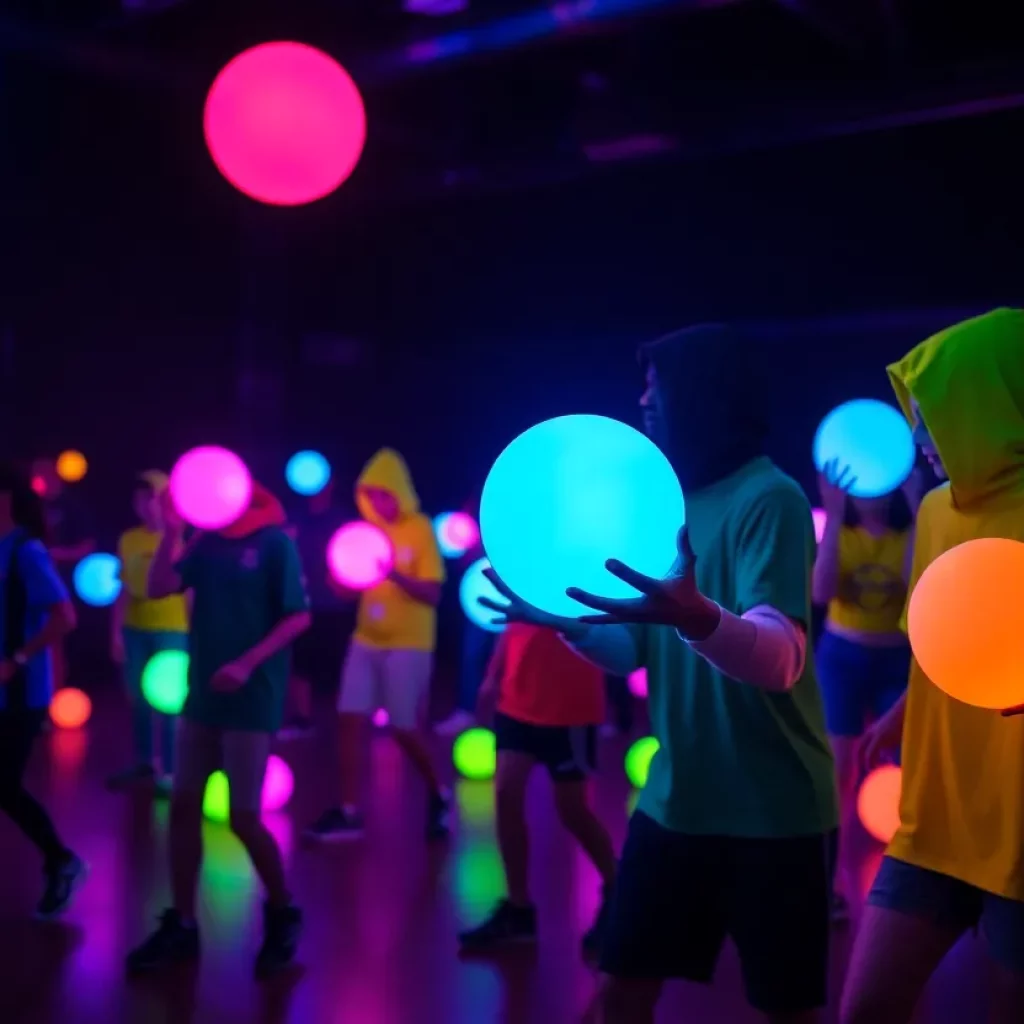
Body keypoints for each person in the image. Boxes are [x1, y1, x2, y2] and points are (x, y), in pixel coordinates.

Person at [482, 325, 837, 1024]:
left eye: (657, 386)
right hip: (675, 803)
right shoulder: (660, 500)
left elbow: (782, 659)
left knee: (786, 1011)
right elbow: (633, 653)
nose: (643, 400)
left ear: (702, 395)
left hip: (776, 812)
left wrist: (695, 615)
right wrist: (566, 622)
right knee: (618, 994)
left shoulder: (771, 497)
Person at [840, 308, 1024, 1024]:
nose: (917, 440)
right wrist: (897, 715)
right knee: (865, 1009)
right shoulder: (938, 511)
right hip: (935, 814)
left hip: (1017, 825)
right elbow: (938, 643)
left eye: (934, 414)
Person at [126, 482, 310, 977]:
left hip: (252, 698)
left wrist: (247, 664)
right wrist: (171, 532)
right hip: (202, 695)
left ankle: (283, 912)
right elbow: (159, 587)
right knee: (184, 805)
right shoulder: (204, 542)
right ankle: (183, 924)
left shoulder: (274, 543)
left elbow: (298, 617)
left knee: (243, 817)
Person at [305, 448, 449, 841]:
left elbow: (433, 593)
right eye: (370, 496)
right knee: (349, 717)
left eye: (384, 494)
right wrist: (341, 581)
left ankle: (439, 793)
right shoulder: (365, 532)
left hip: (409, 643)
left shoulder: (419, 528)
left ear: (399, 492)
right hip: (366, 638)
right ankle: (349, 811)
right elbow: (352, 588)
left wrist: (393, 574)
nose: (378, 502)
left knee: (404, 727)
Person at [458, 623, 616, 954]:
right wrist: (492, 675)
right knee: (506, 794)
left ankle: (620, 894)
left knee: (572, 810)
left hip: (573, 709)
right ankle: (518, 910)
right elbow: (512, 621)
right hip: (516, 702)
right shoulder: (521, 586)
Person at [812, 460, 923, 919]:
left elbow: (916, 591)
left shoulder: (908, 531)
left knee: (907, 770)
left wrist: (917, 512)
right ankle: (828, 883)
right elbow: (821, 593)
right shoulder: (840, 531)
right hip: (842, 657)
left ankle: (910, 886)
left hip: (897, 660)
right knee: (838, 770)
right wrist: (835, 514)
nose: (869, 494)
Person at [0, 463, 86, 916]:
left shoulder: (26, 551)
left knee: (4, 784)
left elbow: (64, 617)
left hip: (20, 693)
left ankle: (61, 861)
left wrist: (17, 659)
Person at [107, 471, 189, 793]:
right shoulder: (128, 539)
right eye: (140, 499)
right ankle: (144, 763)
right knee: (138, 699)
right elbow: (124, 589)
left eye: (152, 498)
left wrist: (195, 631)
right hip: (135, 629)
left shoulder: (180, 538)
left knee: (169, 702)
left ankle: (171, 770)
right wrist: (116, 632)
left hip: (172, 629)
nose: (145, 505)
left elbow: (191, 589)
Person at [281, 479, 349, 739]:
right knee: (300, 664)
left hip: (335, 604)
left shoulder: (341, 519)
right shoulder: (294, 518)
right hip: (301, 603)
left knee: (337, 665)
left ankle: (342, 723)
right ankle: (302, 720)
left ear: (331, 485)